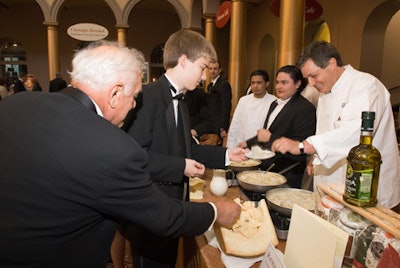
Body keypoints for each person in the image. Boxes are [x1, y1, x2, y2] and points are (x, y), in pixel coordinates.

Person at [0, 40, 241, 267]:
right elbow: (164, 217)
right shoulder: (111, 148)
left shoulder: (14, 105)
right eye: (134, 96)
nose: (136, 105)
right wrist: (216, 211)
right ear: (115, 93)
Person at [120, 29, 248, 268]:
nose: (204, 77)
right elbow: (134, 158)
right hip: (150, 210)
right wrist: (180, 166)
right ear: (183, 61)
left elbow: (186, 148)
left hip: (173, 208)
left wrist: (226, 155)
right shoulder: (147, 97)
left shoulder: (183, 101)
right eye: (202, 68)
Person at [271, 41, 400, 210]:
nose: (310, 83)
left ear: (331, 64)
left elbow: (355, 134)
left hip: (366, 185)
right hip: (334, 182)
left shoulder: (366, 87)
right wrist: (316, 159)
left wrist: (304, 146)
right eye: (307, 78)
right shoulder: (325, 92)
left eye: (314, 75)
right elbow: (326, 132)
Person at [238, 65, 316, 188]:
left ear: (297, 84)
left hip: (288, 172)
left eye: (284, 83)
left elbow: (302, 147)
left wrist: (271, 137)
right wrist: (248, 143)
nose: (279, 87)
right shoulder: (274, 104)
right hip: (269, 167)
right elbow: (267, 133)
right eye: (278, 82)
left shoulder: (305, 109)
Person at [226, 69, 277, 148]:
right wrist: (230, 147)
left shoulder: (274, 101)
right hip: (241, 144)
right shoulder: (243, 100)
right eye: (253, 83)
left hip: (261, 147)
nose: (255, 86)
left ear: (267, 84)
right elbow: (235, 125)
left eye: (259, 83)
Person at [191, 59, 232, 144]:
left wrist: (223, 128)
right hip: (209, 121)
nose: (212, 71)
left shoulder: (224, 85)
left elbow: (226, 107)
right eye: (210, 69)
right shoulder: (210, 85)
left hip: (217, 124)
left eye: (215, 69)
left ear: (219, 70)